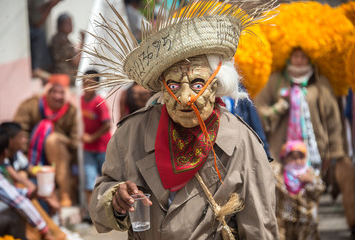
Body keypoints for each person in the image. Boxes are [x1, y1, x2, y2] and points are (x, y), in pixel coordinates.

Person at [87, 0, 279, 239]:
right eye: (175, 85)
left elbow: (260, 228)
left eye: (198, 84)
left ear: (216, 86)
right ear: (162, 89)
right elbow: (100, 199)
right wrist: (115, 198)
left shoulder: (242, 142)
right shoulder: (131, 134)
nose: (185, 97)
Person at [14, 74, 78, 207]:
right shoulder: (30, 105)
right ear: (47, 92)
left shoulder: (71, 112)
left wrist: (57, 140)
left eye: (61, 93)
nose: (57, 96)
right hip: (30, 158)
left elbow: (75, 142)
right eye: (54, 92)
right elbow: (18, 132)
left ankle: (65, 193)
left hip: (60, 159)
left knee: (53, 141)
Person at [0, 128, 54, 240]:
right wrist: (44, 230)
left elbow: (10, 191)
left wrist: (32, 193)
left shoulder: (16, 158)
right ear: (5, 152)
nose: (24, 140)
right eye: (21, 137)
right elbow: (18, 201)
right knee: (15, 213)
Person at [274, 140, 325, 240]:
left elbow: (320, 188)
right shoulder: (280, 174)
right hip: (286, 217)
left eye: (301, 157)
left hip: (306, 218)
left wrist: (311, 181)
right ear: (285, 159)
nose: (297, 161)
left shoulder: (309, 172)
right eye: (293, 158)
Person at [81, 70, 111, 219]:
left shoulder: (100, 102)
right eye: (85, 83)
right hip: (88, 149)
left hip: (102, 148)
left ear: (97, 85)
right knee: (88, 179)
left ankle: (108, 212)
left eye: (91, 84)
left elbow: (107, 124)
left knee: (106, 179)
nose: (88, 87)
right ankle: (90, 213)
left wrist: (92, 137)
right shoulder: (80, 100)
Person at [50, 13, 84, 86]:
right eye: (67, 23)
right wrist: (83, 42)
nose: (71, 26)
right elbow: (75, 61)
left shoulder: (62, 38)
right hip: (65, 75)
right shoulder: (61, 39)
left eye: (71, 23)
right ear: (59, 25)